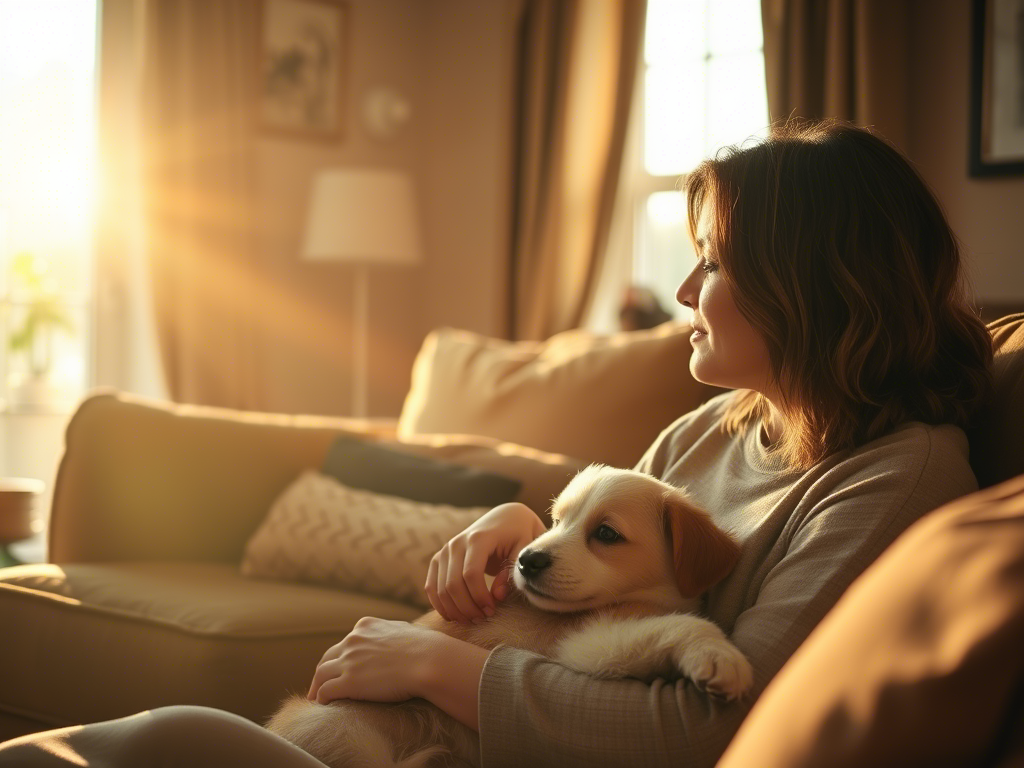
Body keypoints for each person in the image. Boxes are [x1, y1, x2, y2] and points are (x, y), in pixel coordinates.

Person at [0, 118, 994, 767]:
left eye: (713, 265)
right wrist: (519, 524)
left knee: (167, 745)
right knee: (142, 744)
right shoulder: (715, 425)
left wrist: (433, 669)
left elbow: (720, 729)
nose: (684, 294)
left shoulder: (896, 476)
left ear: (810, 289)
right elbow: (594, 544)